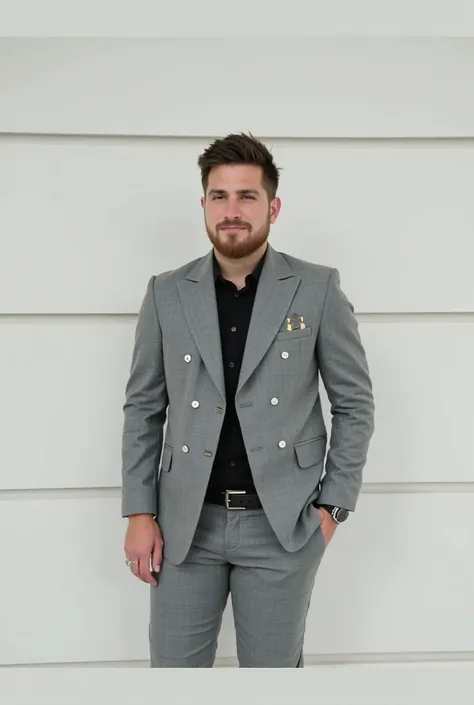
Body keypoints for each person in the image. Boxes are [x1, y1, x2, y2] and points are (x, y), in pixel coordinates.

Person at [121, 132, 375, 668]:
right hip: (184, 527)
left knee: (273, 687)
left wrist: (333, 509)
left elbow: (354, 404)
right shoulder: (166, 292)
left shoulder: (316, 288)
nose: (231, 211)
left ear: (272, 208)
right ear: (204, 205)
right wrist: (140, 512)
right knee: (173, 682)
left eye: (246, 196)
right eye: (219, 196)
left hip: (283, 526)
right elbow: (143, 408)